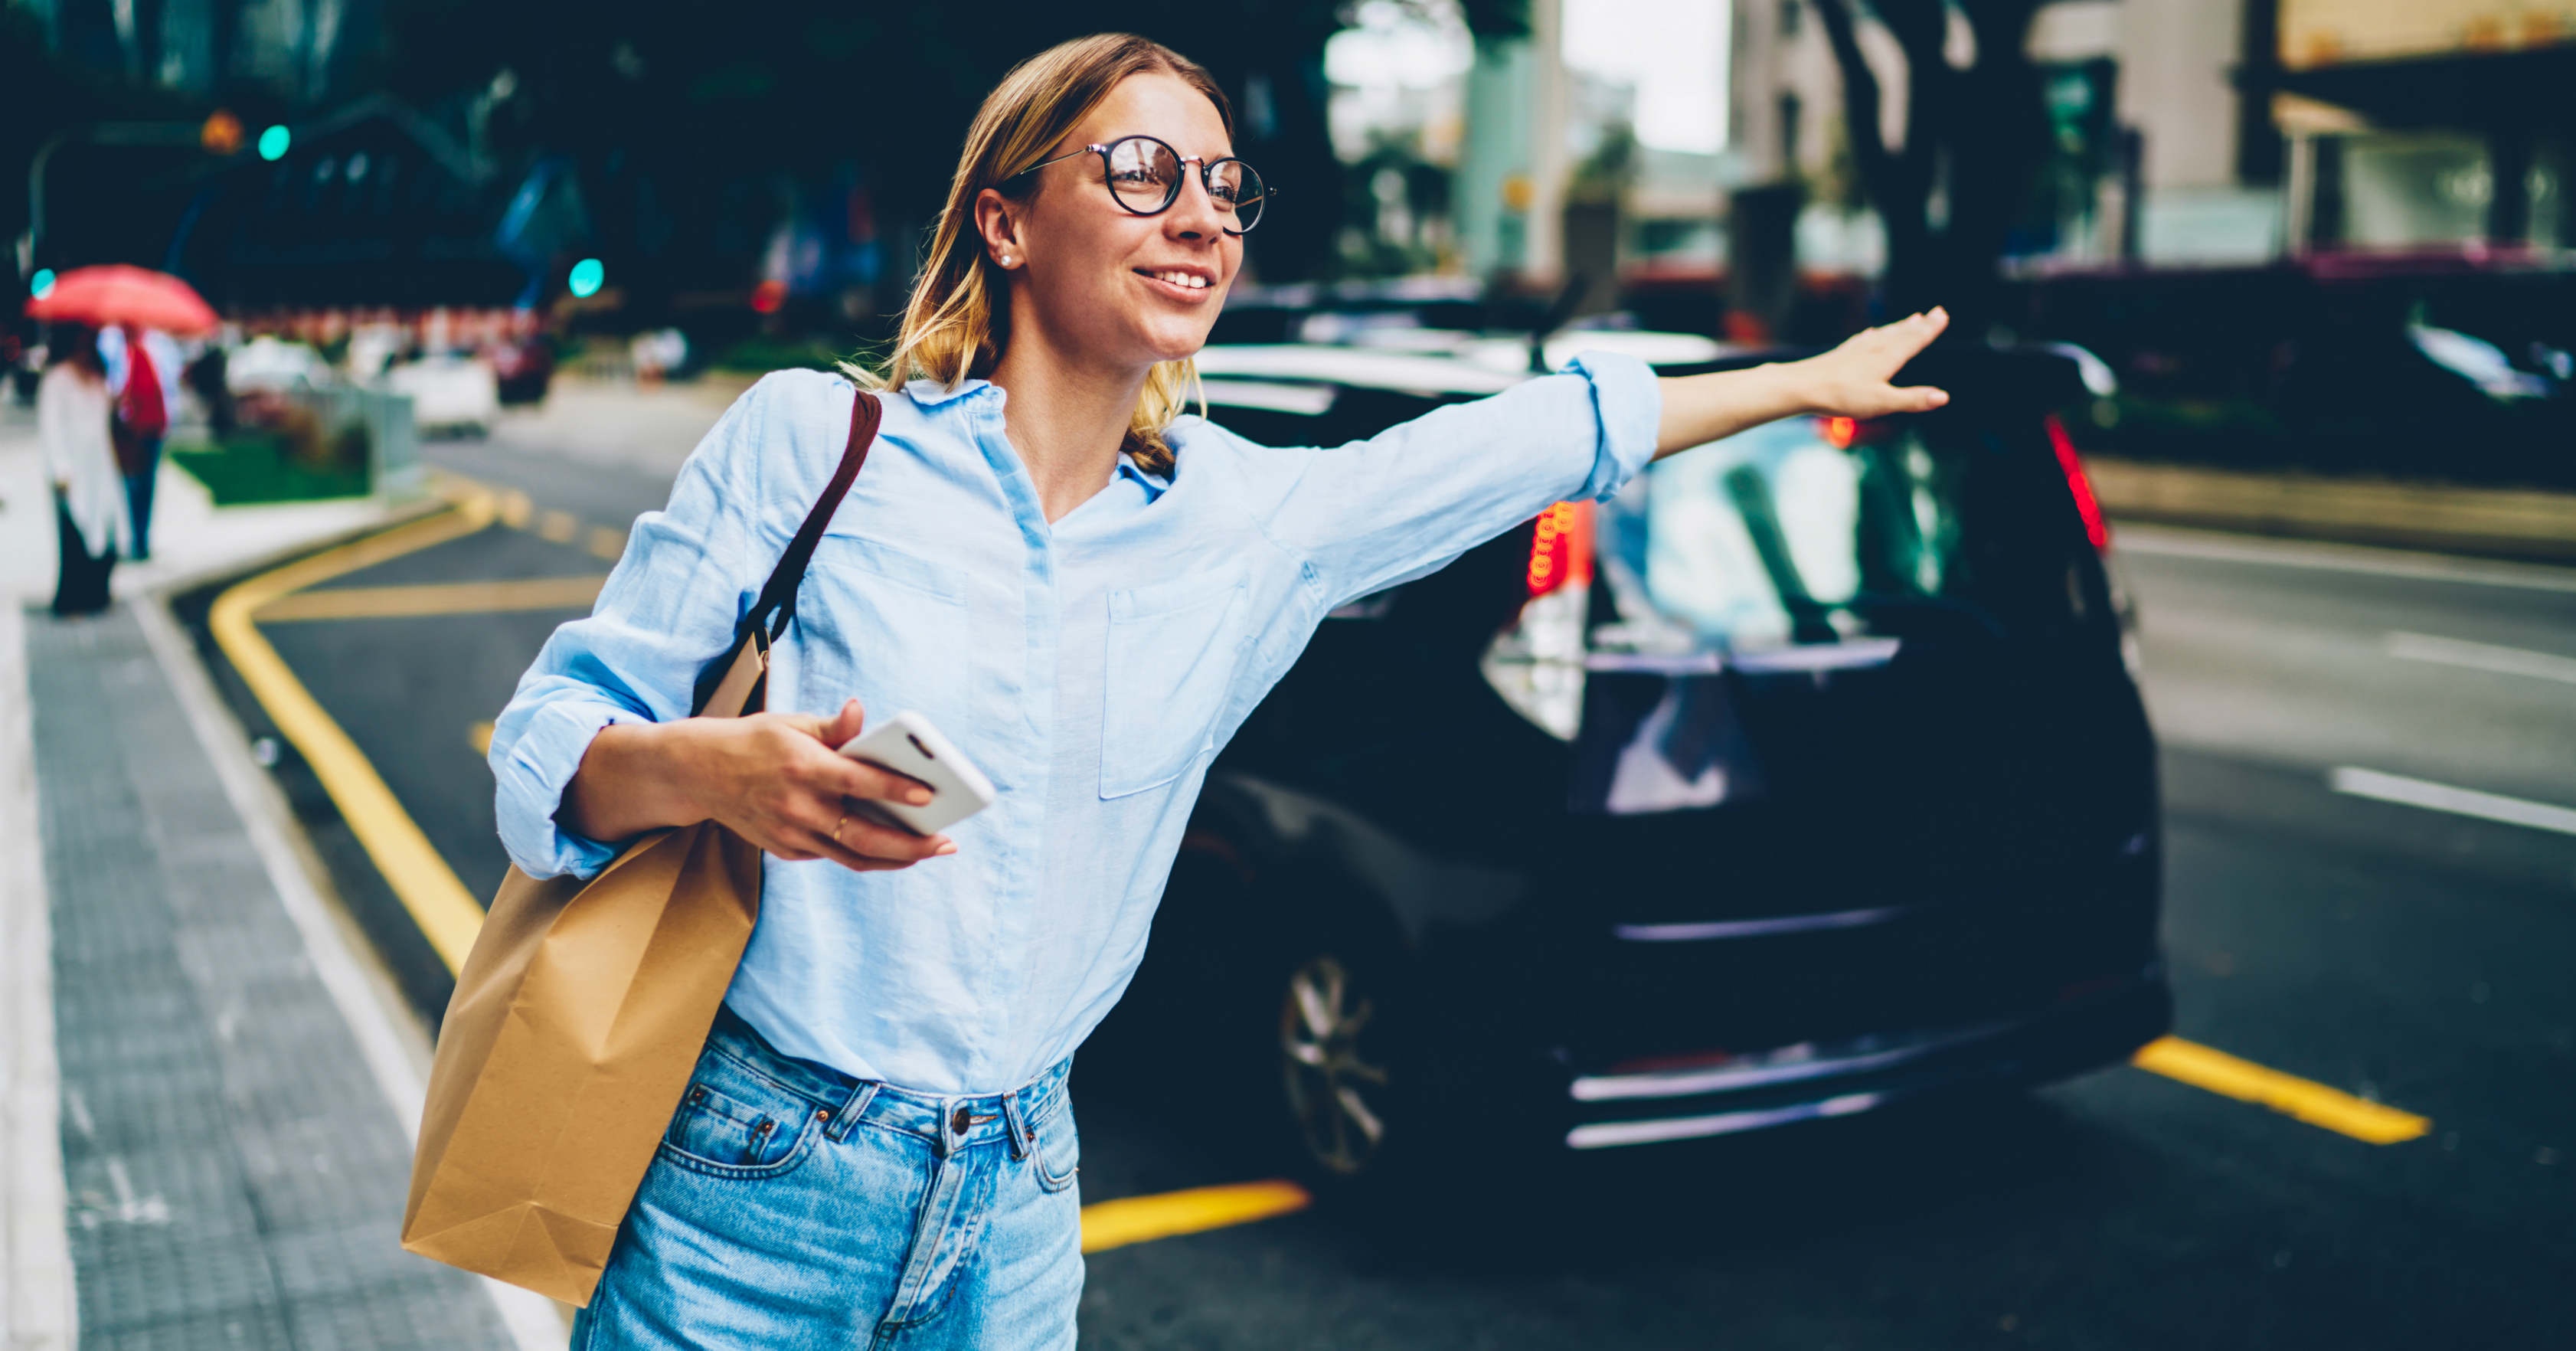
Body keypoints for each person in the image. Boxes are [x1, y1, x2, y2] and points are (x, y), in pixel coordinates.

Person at [490, 33, 1950, 1350]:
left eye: (1221, 185)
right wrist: (712, 773)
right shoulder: (815, 442)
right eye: (1137, 171)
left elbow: (1534, 438)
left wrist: (1791, 380)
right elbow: (549, 745)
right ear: (1001, 219)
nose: (1199, 215)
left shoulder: (1253, 519)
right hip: (751, 1176)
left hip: (1014, 1205)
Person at [38, 324, 130, 617]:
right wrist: (60, 468)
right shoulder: (57, 380)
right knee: (75, 532)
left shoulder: (97, 378)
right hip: (73, 470)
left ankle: (96, 593)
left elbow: (106, 422)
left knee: (107, 529)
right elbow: (51, 427)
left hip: (101, 468)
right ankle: (72, 599)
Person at [100, 322, 181, 560]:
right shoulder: (112, 344)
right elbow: (111, 380)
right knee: (132, 484)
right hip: (130, 428)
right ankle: (135, 537)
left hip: (155, 424)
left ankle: (143, 537)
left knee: (148, 484)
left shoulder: (158, 344)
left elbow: (169, 380)